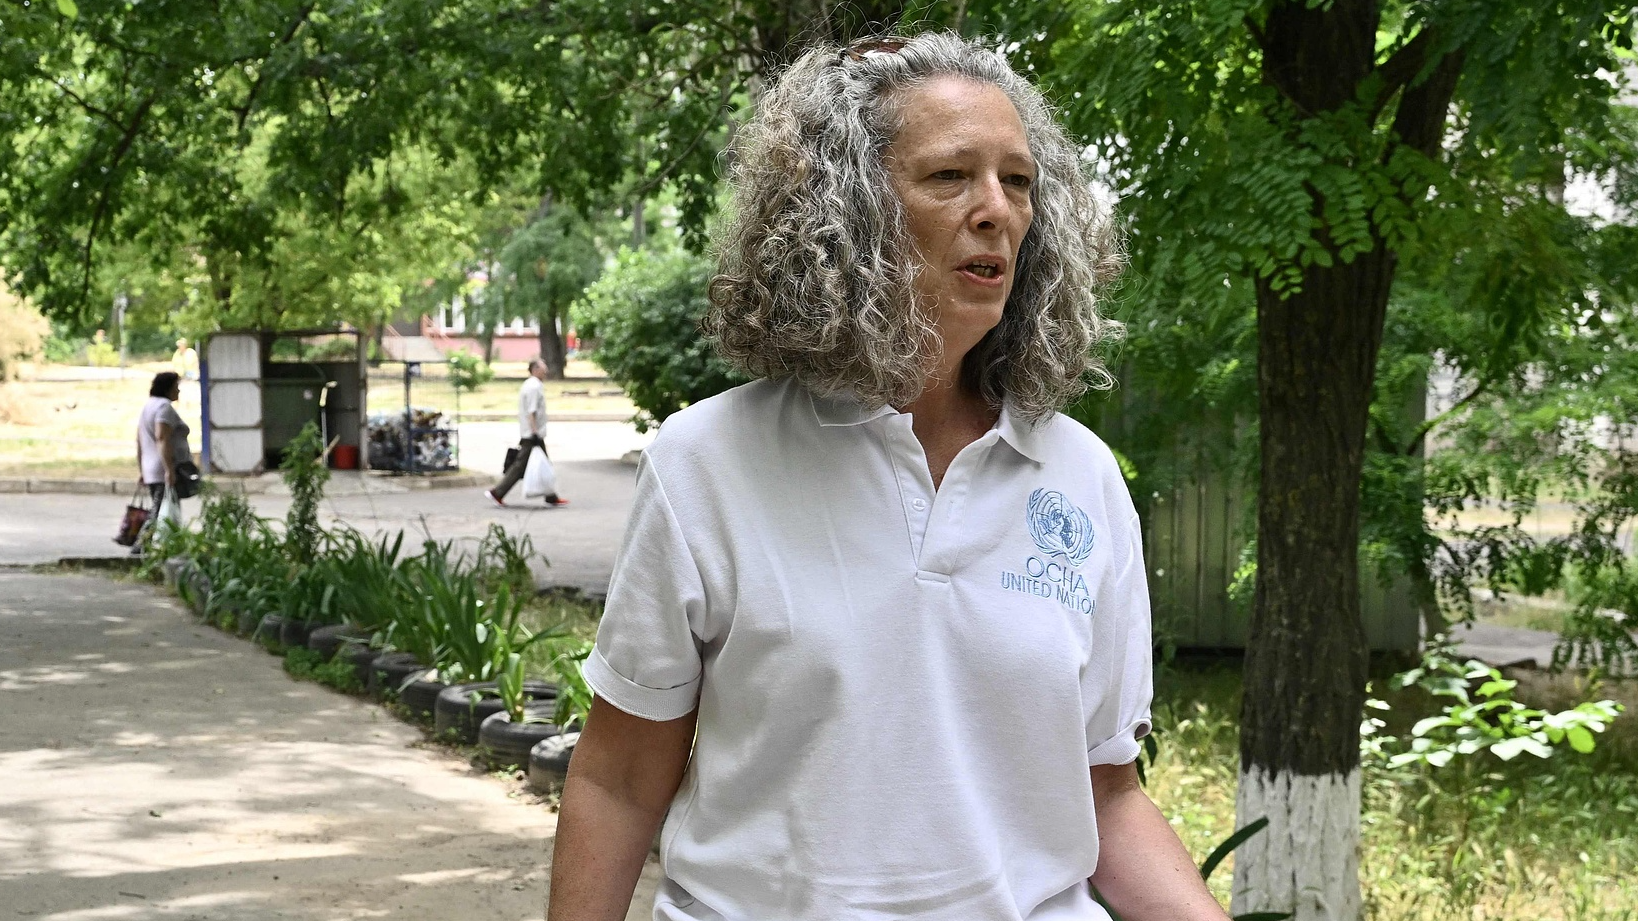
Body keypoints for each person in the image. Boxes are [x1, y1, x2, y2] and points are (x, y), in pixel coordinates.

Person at [549, 31, 1228, 921]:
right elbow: (622, 777)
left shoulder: (1081, 476)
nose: (997, 211)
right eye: (951, 177)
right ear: (848, 209)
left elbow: (1105, 793)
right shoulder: (707, 462)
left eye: (1017, 181)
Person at [485, 356, 567, 507]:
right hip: (532, 434)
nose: (546, 370)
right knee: (520, 466)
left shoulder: (533, 385)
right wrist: (535, 432)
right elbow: (532, 411)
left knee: (541, 464)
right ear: (535, 370)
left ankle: (551, 496)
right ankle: (497, 492)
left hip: (533, 432)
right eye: (543, 367)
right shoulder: (533, 387)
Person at [136, 371, 192, 536]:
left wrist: (142, 469)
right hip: (162, 467)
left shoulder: (149, 405)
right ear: (167, 388)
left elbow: (139, 440)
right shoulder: (164, 408)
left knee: (162, 506)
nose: (178, 391)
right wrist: (169, 469)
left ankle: (167, 542)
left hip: (151, 466)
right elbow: (162, 438)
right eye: (176, 387)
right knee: (160, 509)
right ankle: (141, 544)